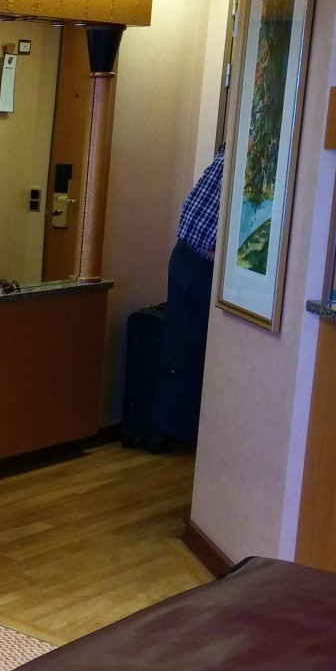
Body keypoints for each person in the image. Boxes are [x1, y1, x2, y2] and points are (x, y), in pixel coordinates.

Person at [153, 143, 225, 447]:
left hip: (199, 261)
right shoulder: (241, 143)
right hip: (192, 258)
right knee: (182, 350)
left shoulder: (256, 149)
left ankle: (179, 431)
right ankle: (174, 429)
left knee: (189, 350)